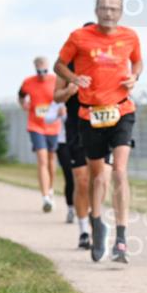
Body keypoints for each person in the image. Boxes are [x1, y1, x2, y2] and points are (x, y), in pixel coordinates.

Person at [55, 0, 142, 263]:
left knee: (118, 171)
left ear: (121, 11)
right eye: (104, 8)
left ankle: (122, 237)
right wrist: (73, 78)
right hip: (89, 114)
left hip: (122, 110)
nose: (108, 13)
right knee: (98, 178)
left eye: (114, 8)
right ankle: (96, 222)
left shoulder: (130, 36)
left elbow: (138, 61)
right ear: (96, 10)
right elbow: (59, 65)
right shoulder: (78, 37)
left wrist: (134, 76)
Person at [53, 37, 94, 249]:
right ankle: (84, 230)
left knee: (99, 179)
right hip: (76, 127)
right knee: (81, 179)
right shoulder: (67, 66)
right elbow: (56, 96)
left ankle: (96, 220)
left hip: (102, 125)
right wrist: (69, 91)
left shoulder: (107, 63)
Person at [18, 57, 62, 212]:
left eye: (45, 71)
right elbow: (21, 95)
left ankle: (50, 190)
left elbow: (63, 98)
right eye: (39, 71)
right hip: (35, 126)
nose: (42, 74)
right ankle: (45, 198)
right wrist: (24, 104)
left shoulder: (55, 80)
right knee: (42, 159)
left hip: (53, 126)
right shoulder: (28, 82)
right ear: (35, 69)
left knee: (51, 160)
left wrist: (62, 109)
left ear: (48, 69)